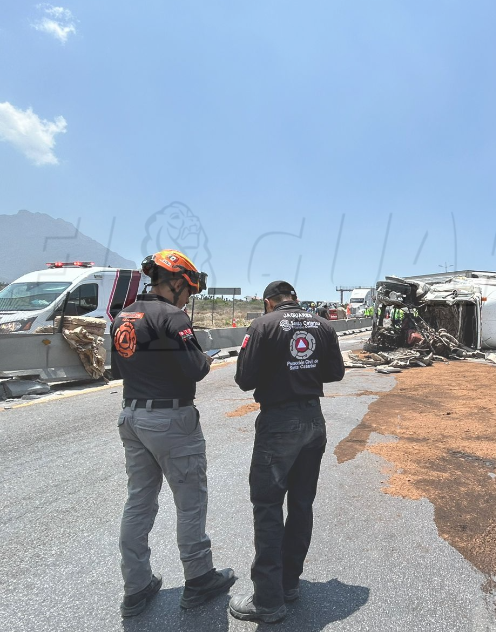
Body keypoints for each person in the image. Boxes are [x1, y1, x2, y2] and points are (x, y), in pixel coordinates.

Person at [111, 250, 235, 618]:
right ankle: (199, 579)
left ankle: (135, 587)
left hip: (132, 416)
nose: (188, 298)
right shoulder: (172, 316)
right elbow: (196, 368)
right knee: (190, 500)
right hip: (170, 420)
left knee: (138, 502)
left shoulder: (123, 315)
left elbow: (119, 367)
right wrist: (206, 359)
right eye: (188, 291)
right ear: (177, 282)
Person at [230, 281, 346, 623]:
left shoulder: (263, 325)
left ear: (269, 302)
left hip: (279, 422)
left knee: (267, 507)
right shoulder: (322, 325)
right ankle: (288, 583)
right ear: (294, 299)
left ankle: (267, 601)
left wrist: (277, 368)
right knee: (300, 503)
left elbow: (244, 379)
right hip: (314, 419)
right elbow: (335, 372)